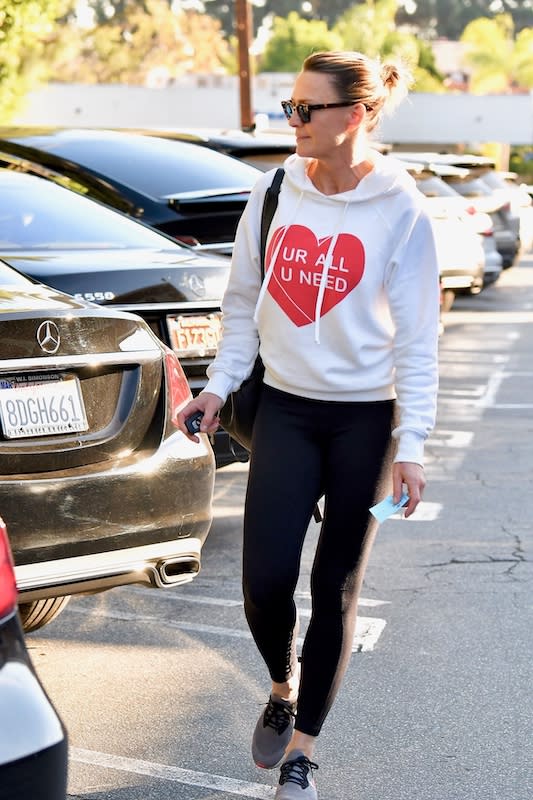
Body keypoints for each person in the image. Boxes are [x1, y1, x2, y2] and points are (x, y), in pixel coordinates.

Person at [178, 50, 440, 800]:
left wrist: (412, 446)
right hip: (287, 409)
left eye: (304, 109)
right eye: (287, 106)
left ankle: (302, 751)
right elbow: (240, 308)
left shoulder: (400, 208)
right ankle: (280, 683)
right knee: (263, 579)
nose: (289, 120)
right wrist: (218, 388)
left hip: (365, 421)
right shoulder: (271, 193)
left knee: (335, 587)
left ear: (353, 116)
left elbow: (418, 341)